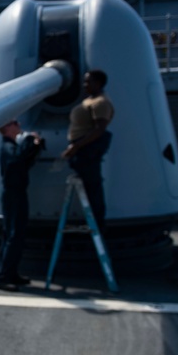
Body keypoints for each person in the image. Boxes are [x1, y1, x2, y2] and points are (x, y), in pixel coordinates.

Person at [61, 69, 115, 234]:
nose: (85, 85)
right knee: (89, 188)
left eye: (88, 81)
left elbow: (99, 129)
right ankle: (93, 223)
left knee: (93, 189)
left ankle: (97, 226)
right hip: (82, 150)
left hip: (87, 151)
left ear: (99, 83)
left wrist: (76, 146)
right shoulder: (91, 101)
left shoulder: (100, 103)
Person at [0, 120, 44, 292]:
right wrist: (31, 141)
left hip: (17, 194)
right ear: (7, 128)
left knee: (15, 234)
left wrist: (35, 145)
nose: (19, 125)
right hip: (13, 195)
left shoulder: (11, 146)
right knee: (13, 235)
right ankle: (3, 277)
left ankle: (12, 273)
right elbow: (17, 161)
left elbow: (23, 163)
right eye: (14, 123)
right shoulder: (7, 147)